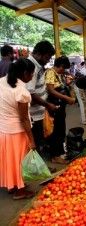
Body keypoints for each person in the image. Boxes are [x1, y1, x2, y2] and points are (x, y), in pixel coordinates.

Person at [0, 58, 36, 199]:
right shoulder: (21, 92)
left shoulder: (2, 81)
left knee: (10, 159)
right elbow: (24, 119)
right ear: (25, 73)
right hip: (17, 131)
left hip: (3, 129)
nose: (32, 76)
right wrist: (32, 140)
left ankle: (11, 186)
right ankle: (20, 191)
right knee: (20, 161)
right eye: (32, 74)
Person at [26, 40, 57, 158]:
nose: (48, 60)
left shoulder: (37, 66)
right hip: (33, 115)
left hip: (37, 112)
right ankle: (37, 171)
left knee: (39, 141)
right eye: (47, 57)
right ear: (38, 54)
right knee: (35, 142)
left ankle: (38, 169)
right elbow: (30, 93)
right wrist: (47, 104)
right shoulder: (31, 67)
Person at [45, 56, 76, 164]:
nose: (64, 71)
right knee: (55, 131)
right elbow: (51, 90)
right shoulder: (50, 72)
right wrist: (67, 98)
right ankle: (55, 155)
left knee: (60, 129)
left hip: (60, 106)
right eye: (64, 68)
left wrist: (67, 84)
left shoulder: (58, 75)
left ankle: (59, 152)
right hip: (54, 106)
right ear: (61, 65)